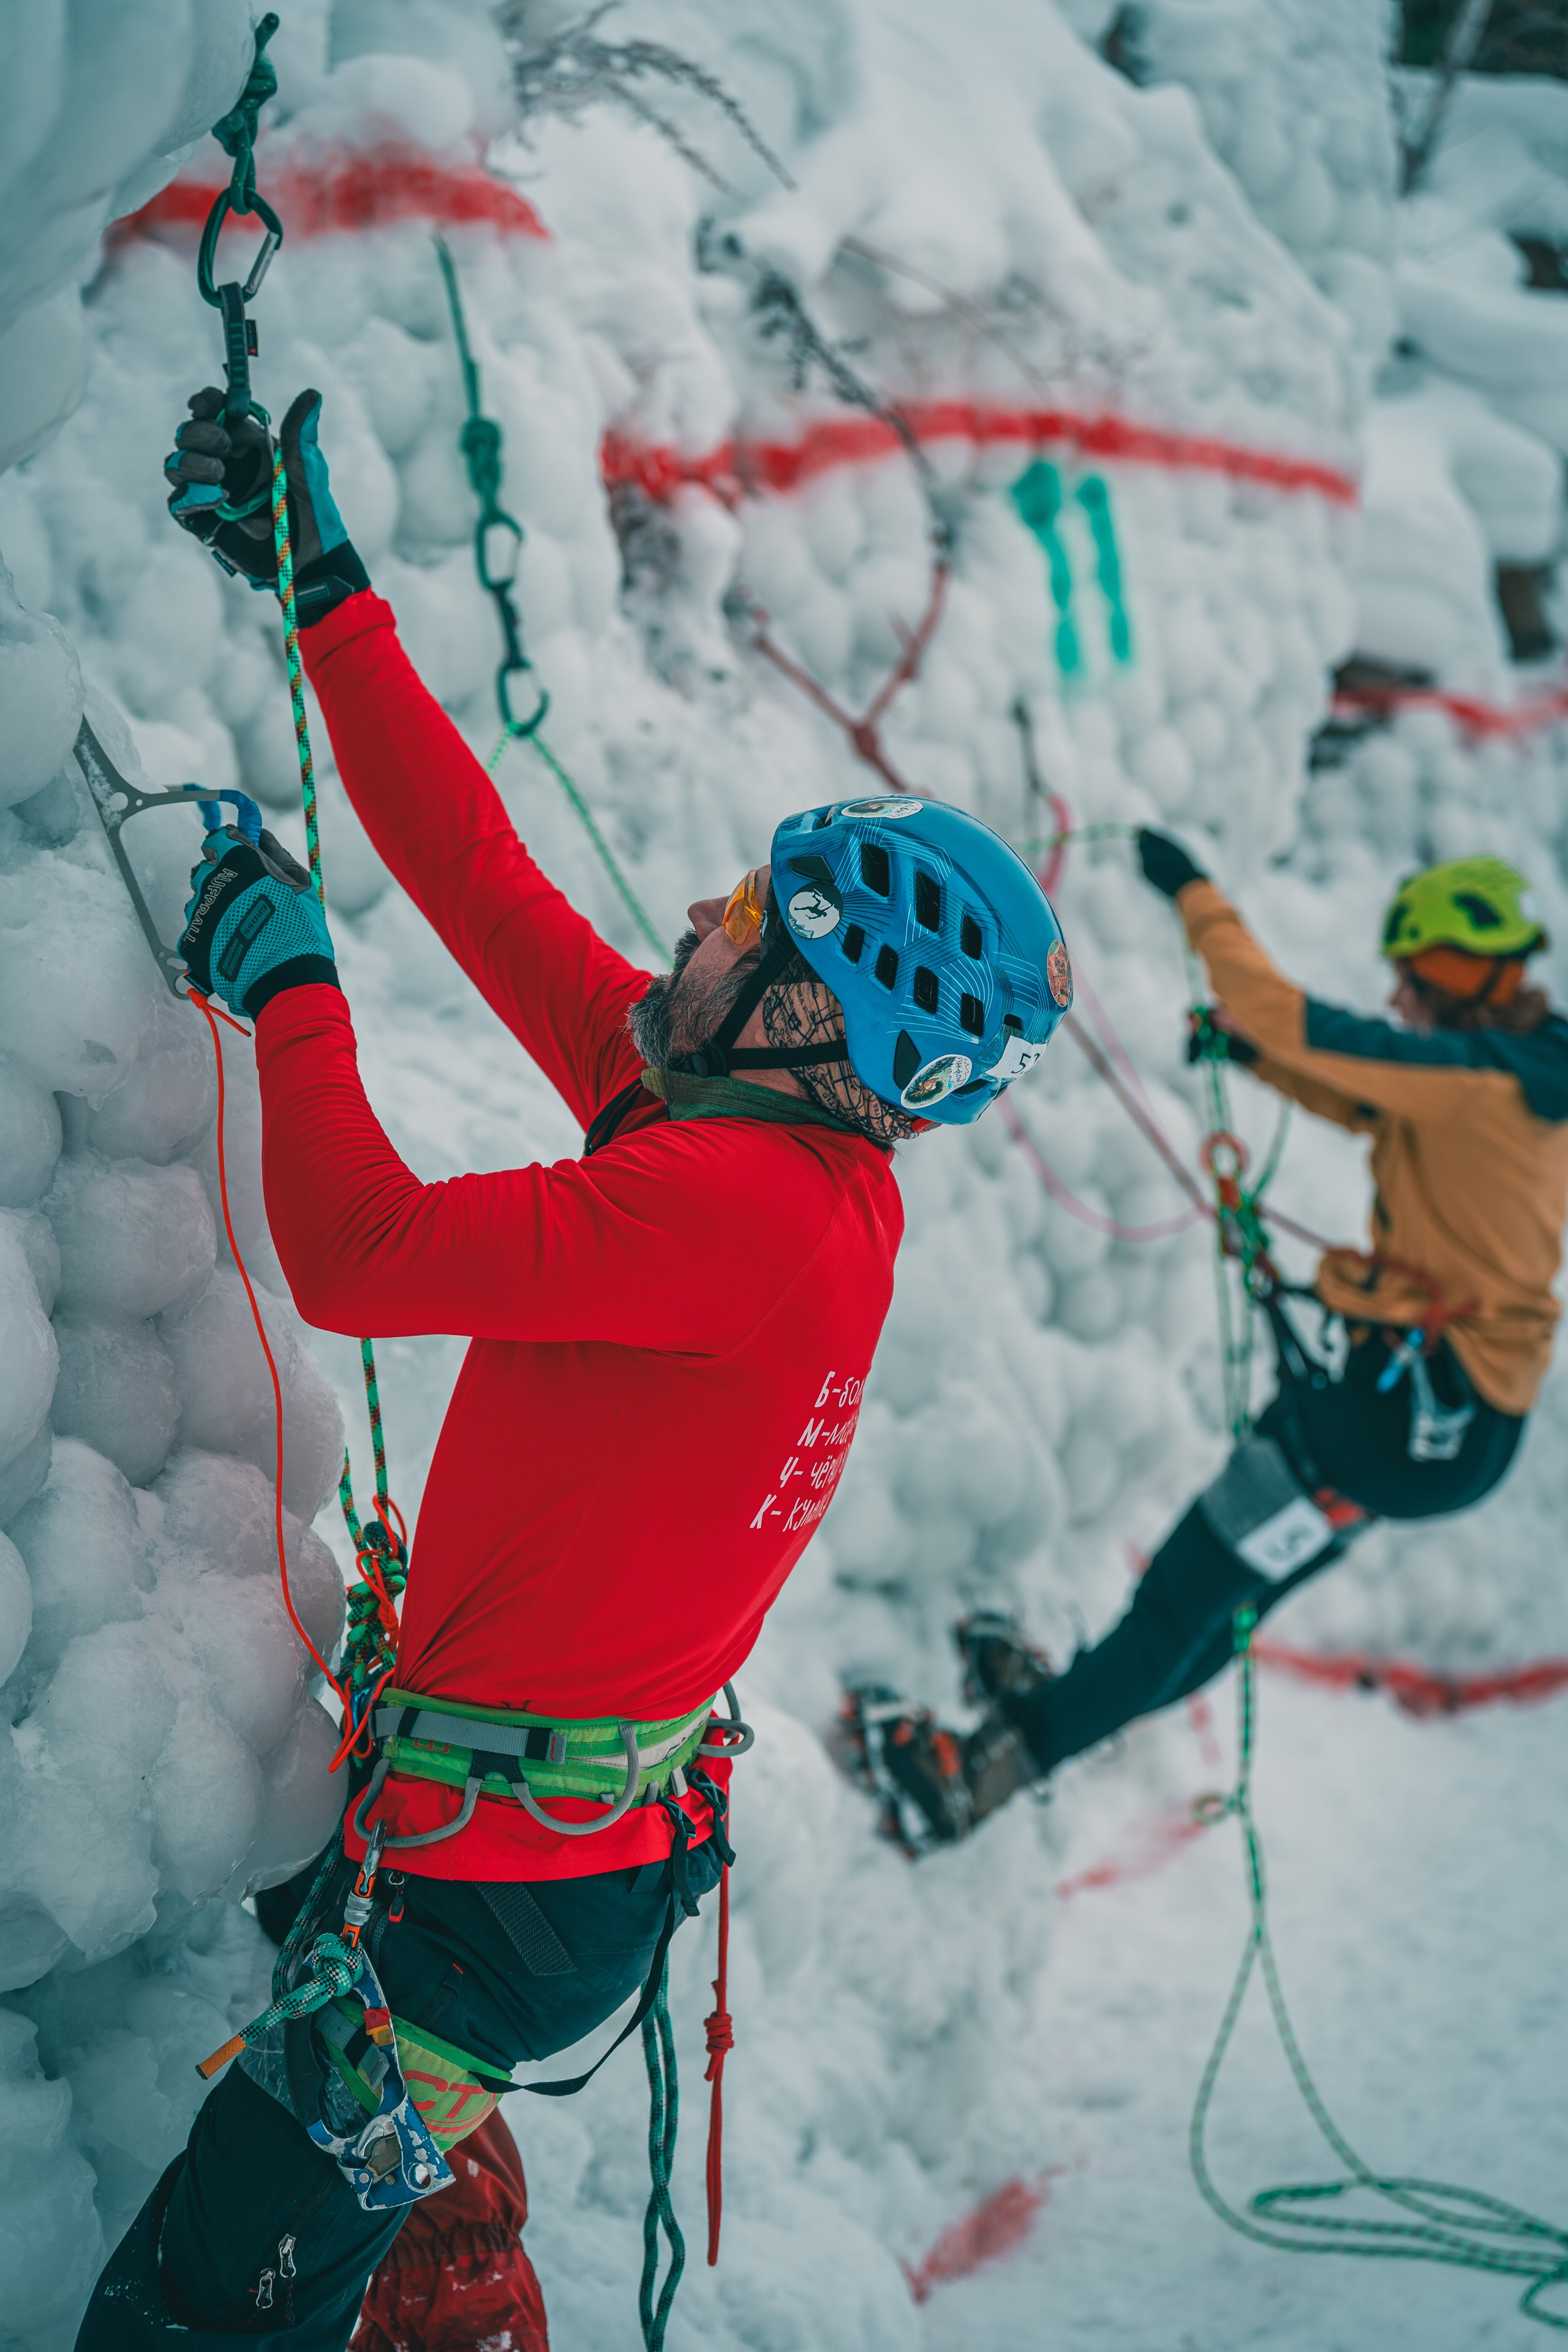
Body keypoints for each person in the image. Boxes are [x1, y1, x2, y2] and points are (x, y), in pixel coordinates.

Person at [74, 388, 1071, 2350]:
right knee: (326, 2228)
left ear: (807, 1013)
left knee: (195, 2316)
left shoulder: (732, 1211)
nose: (701, 917)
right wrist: (324, 586)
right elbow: (484, 881)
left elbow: (358, 1259)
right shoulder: (774, 1157)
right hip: (530, 1856)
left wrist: (290, 989)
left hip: (490, 1896)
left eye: (745, 919)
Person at [856, 829, 1568, 1849]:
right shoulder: (1521, 1078)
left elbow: (1290, 1017)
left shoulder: (1474, 1079)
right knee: (1215, 1600)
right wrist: (1250, 1057)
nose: (1402, 997)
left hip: (1395, 1422)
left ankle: (984, 1775)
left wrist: (1192, 893)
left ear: (1462, 974)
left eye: (1415, 976)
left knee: (1186, 1594)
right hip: (1438, 1428)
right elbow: (1370, 1100)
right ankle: (1059, 1717)